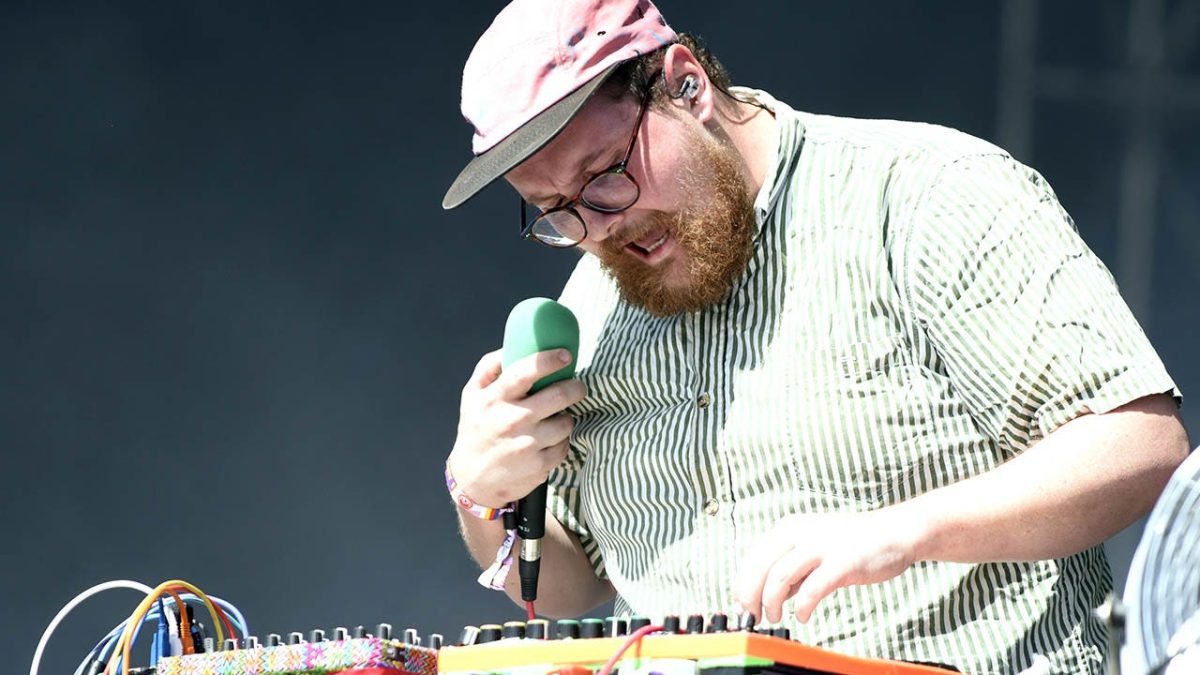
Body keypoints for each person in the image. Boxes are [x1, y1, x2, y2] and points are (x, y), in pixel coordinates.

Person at [439, 1, 1190, 673]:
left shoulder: (925, 194)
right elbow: (574, 582)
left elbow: (1138, 446)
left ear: (687, 84)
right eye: (557, 210)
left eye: (605, 174)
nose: (598, 227)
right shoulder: (592, 298)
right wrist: (482, 495)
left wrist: (908, 529)